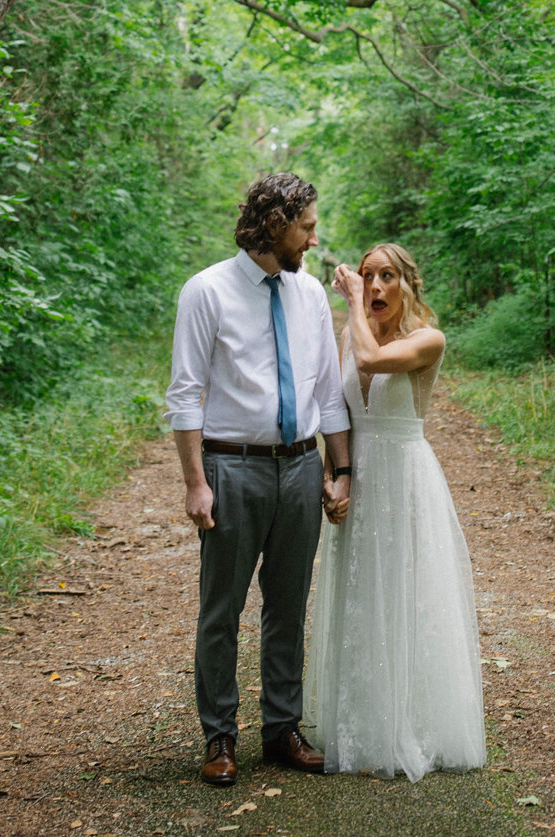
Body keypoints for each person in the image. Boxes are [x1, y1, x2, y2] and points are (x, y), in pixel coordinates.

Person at [166, 173, 353, 788]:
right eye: (306, 226)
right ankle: (219, 734)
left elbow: (327, 392)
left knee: (289, 605)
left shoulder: (308, 298)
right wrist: (196, 482)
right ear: (275, 223)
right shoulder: (207, 291)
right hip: (231, 466)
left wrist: (338, 467)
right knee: (221, 609)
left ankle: (282, 729)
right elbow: (186, 393)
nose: (314, 237)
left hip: (300, 467)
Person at [306, 243, 487, 779]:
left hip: (405, 479)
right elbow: (333, 409)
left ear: (408, 285)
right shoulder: (350, 335)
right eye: (367, 276)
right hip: (357, 479)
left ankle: (414, 723)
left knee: (407, 592)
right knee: (361, 591)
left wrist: (353, 304)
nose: (376, 286)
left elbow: (372, 361)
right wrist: (333, 475)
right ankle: (361, 720)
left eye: (387, 277)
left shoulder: (427, 340)